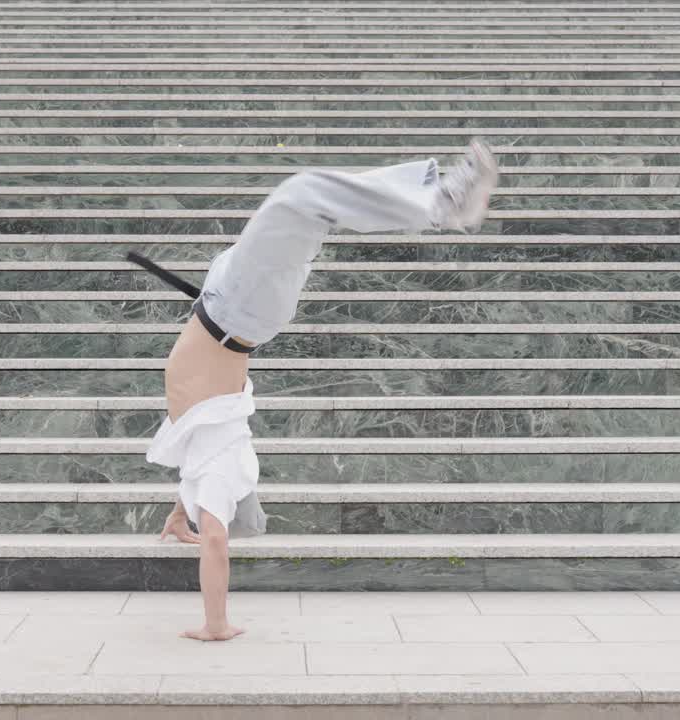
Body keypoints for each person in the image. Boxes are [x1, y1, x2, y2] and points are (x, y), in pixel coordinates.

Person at [144, 139, 499, 641]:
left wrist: (183, 510)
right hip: (234, 309)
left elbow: (195, 478)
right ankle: (444, 202)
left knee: (309, 209)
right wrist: (215, 624)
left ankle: (440, 198)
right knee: (303, 194)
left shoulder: (200, 455)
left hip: (233, 303)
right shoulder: (220, 458)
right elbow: (217, 537)